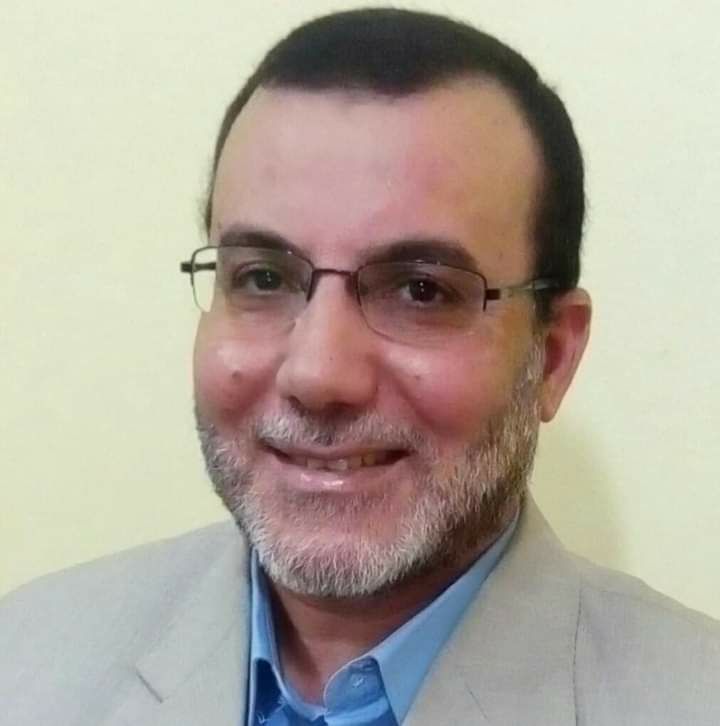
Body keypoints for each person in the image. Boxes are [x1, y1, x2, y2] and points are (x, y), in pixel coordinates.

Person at [1, 7, 718, 725]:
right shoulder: (25, 659)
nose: (319, 375)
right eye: (263, 278)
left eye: (422, 290)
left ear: (553, 356)